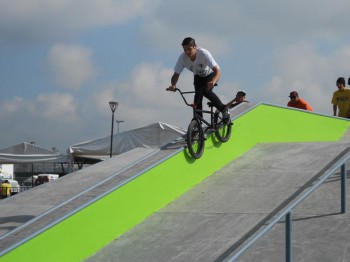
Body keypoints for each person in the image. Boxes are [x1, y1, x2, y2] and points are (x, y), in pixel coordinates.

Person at [168, 37, 229, 122]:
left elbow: (218, 71)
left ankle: (223, 109)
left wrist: (213, 81)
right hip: (198, 76)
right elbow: (176, 75)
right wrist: (173, 85)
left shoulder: (203, 53)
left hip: (211, 74)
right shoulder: (182, 58)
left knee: (206, 91)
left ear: (195, 46)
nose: (187, 52)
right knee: (197, 97)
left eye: (189, 49)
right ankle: (198, 121)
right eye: (185, 50)